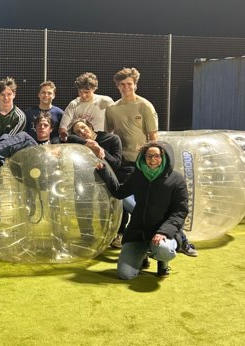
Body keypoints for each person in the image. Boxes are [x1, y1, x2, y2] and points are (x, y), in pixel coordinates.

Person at [104, 67, 197, 256]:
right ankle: (127, 237)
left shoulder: (145, 105)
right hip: (124, 164)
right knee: (125, 202)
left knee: (148, 205)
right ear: (117, 86)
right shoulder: (112, 109)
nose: (125, 87)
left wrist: (149, 160)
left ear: (135, 84)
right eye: (122, 84)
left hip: (144, 166)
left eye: (129, 84)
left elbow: (153, 137)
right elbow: (110, 135)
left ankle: (181, 240)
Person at [96, 141, 187, 279]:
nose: (152, 160)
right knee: (124, 274)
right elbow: (119, 192)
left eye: (157, 156)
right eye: (149, 156)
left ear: (164, 157)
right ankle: (142, 255)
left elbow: (180, 211)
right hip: (138, 233)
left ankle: (163, 263)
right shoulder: (138, 176)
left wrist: (164, 232)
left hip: (161, 232)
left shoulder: (177, 180)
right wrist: (104, 171)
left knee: (164, 250)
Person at [58, 72, 114, 142]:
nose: (83, 95)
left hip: (102, 141)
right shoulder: (73, 104)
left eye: (86, 92)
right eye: (80, 92)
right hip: (83, 144)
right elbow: (63, 128)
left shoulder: (106, 101)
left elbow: (114, 123)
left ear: (94, 89)